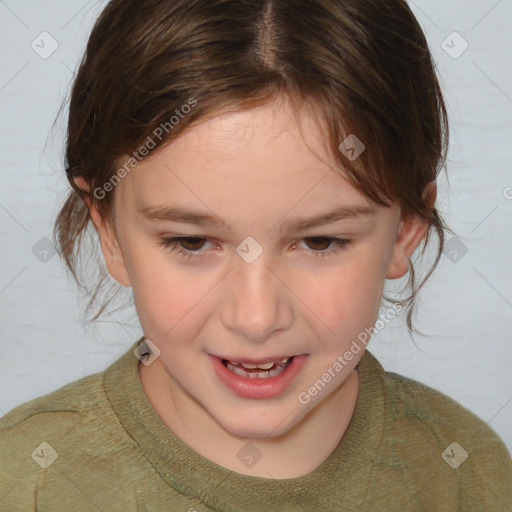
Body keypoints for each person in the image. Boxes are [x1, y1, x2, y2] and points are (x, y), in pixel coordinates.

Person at [1, 0, 510, 510]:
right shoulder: (25, 481)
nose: (256, 317)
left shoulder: (468, 474)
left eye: (319, 242)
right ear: (107, 230)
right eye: (192, 242)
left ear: (406, 230)